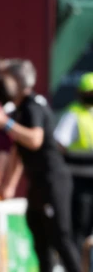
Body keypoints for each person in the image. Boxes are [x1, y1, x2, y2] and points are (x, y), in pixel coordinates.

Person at [0, 59, 81, 272]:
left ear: (16, 81)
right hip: (37, 184)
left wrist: (4, 123)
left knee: (60, 238)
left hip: (52, 181)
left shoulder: (32, 105)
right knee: (40, 239)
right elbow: (19, 150)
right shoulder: (20, 108)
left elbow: (35, 139)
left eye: (5, 78)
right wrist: (9, 185)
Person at [54, 72, 93, 249]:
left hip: (82, 182)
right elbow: (59, 143)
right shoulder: (74, 114)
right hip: (80, 183)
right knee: (80, 228)